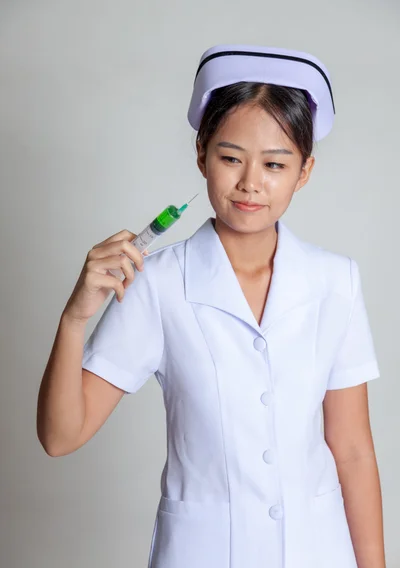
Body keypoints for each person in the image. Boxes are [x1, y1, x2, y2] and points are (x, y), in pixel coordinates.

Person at [37, 45, 386, 568]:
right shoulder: (155, 284)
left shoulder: (336, 281)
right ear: (201, 154)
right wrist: (74, 318)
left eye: (274, 164)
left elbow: (354, 451)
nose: (250, 183)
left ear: (305, 171)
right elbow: (61, 437)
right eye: (230, 158)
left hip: (320, 551)